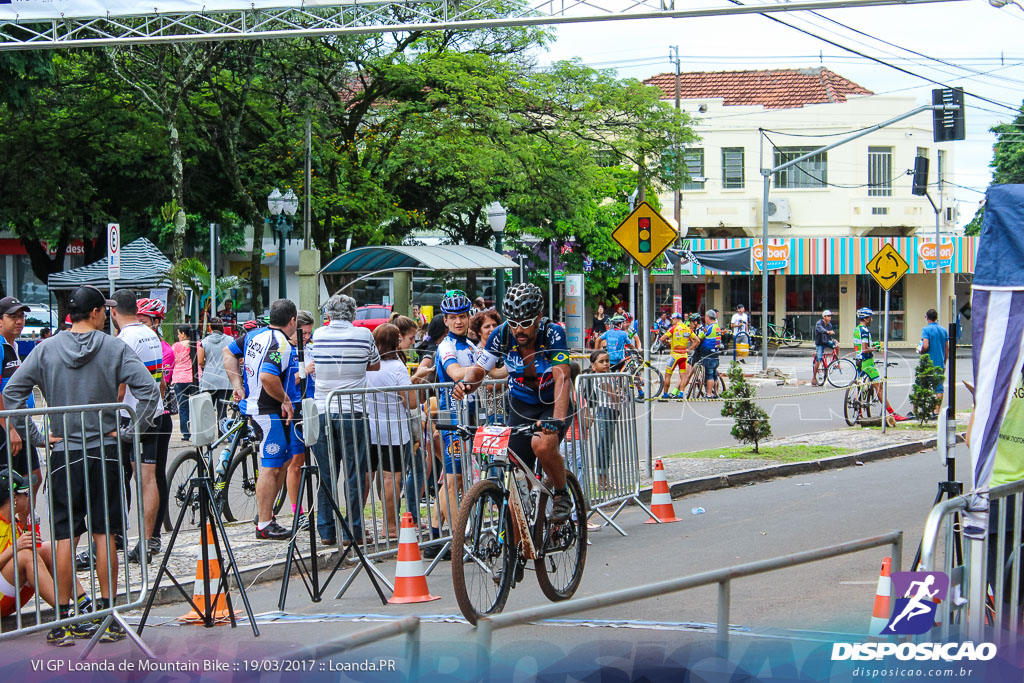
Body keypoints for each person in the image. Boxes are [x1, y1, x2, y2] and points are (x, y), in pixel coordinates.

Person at [3, 285, 159, 645]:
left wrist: (38, 435)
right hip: (103, 451)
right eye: (102, 310)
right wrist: (129, 431)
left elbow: (11, 394)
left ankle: (61, 621)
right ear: (94, 314)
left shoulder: (44, 349)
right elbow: (150, 391)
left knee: (63, 537)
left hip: (64, 455)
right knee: (104, 534)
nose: (107, 314)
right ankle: (108, 615)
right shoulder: (114, 347)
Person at [453, 282, 575, 522]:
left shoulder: (552, 333)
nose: (519, 329)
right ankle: (520, 549)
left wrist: (558, 420)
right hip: (521, 404)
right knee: (516, 487)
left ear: (539, 317)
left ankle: (562, 494)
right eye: (514, 322)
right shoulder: (501, 335)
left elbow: (562, 376)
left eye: (526, 323)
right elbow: (480, 370)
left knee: (541, 445)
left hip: (551, 402)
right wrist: (467, 384)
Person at [308, 294, 380, 547]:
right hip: (353, 411)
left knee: (326, 473)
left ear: (328, 314)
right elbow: (374, 365)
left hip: (322, 409)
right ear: (353, 314)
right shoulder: (364, 335)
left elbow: (312, 365)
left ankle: (326, 529)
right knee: (355, 473)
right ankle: (354, 529)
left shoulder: (317, 335)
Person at [223, 299, 298, 540]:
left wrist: (237, 384)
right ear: (292, 321)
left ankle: (265, 513)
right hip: (267, 410)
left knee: (284, 461)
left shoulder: (255, 335)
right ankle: (264, 523)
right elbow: (267, 376)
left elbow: (228, 352)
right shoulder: (281, 344)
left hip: (260, 406)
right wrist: (285, 399)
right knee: (270, 466)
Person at [109, 290, 169, 565]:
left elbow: (120, 388)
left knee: (136, 478)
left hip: (133, 415)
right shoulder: (151, 335)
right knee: (149, 477)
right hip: (153, 412)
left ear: (113, 312)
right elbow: (160, 382)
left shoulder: (124, 339)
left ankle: (133, 539)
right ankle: (147, 540)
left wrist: (110, 414)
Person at [0, 468, 92, 646]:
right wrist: (16, 547)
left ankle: (85, 605)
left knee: (48, 549)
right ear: (14, 498)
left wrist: (26, 521)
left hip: (8, 595)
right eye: (25, 492)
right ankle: (64, 617)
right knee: (25, 555)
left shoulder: (17, 519)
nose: (29, 495)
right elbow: (20, 553)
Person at [423, 290, 478, 559]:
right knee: (455, 478)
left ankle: (435, 537)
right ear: (445, 320)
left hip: (465, 416)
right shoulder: (447, 346)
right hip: (450, 418)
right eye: (453, 317)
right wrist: (483, 368)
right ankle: (459, 540)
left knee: (453, 478)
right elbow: (456, 373)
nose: (458, 322)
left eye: (462, 316)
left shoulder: (471, 346)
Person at [365, 323, 419, 541]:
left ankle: (357, 524)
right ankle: (391, 526)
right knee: (391, 479)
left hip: (369, 428)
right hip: (394, 430)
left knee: (366, 477)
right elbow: (412, 402)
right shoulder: (396, 367)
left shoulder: (367, 367)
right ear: (395, 343)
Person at [0, 296, 45, 518]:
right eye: (12, 316)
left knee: (33, 477)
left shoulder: (14, 345)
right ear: (0, 320)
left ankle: (26, 522)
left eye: (22, 316)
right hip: (8, 427)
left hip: (20, 422)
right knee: (12, 484)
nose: (19, 321)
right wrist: (8, 427)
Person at [283, 310, 315, 531]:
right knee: (296, 462)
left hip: (311, 407)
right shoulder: (285, 350)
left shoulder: (310, 349)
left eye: (310, 334)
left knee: (309, 461)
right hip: (293, 410)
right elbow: (278, 383)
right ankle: (297, 511)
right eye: (304, 333)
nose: (307, 338)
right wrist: (302, 373)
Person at [853, 307, 907, 422]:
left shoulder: (857, 329)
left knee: (860, 385)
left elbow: (861, 346)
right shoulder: (865, 331)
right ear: (866, 318)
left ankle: (859, 413)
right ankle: (892, 413)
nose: (871, 319)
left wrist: (874, 344)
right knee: (879, 387)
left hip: (859, 361)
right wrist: (876, 348)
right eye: (870, 317)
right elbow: (865, 349)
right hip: (867, 362)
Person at [197, 317, 235, 424]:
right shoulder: (230, 340)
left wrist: (208, 365)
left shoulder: (204, 342)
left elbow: (200, 361)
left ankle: (208, 436)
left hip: (209, 380)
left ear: (210, 328)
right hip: (225, 380)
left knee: (207, 410)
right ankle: (222, 435)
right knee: (222, 409)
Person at [918, 308, 950, 418]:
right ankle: (936, 412)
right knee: (939, 388)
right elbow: (947, 348)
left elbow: (925, 345)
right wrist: (944, 361)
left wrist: (920, 350)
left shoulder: (926, 330)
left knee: (922, 386)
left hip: (928, 363)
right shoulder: (943, 330)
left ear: (927, 318)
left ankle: (919, 411)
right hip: (939, 362)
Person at [171, 325, 196, 442]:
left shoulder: (176, 346)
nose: (178, 336)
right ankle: (198, 430)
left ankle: (186, 433)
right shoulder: (197, 344)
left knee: (183, 407)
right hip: (194, 378)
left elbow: (171, 361)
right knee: (197, 406)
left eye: (179, 333)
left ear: (183, 334)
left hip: (179, 379)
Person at [659, 312, 690, 398]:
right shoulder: (687, 328)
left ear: (676, 319)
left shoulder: (673, 328)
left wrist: (666, 341)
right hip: (684, 355)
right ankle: (681, 394)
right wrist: (690, 348)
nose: (672, 321)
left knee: (668, 375)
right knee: (683, 376)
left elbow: (662, 338)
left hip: (674, 355)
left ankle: (665, 394)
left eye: (672, 319)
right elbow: (697, 340)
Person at [695, 310, 723, 398]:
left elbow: (699, 337)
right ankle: (716, 393)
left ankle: (709, 393)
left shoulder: (708, 328)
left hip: (707, 354)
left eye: (705, 317)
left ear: (707, 317)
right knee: (715, 374)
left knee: (709, 374)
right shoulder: (718, 327)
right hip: (715, 353)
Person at [812, 309, 837, 386]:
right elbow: (821, 330)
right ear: (824, 317)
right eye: (828, 316)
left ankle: (835, 361)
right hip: (819, 343)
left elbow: (829, 336)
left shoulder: (829, 325)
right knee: (819, 360)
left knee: (837, 346)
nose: (830, 318)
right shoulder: (819, 323)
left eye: (830, 316)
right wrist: (828, 332)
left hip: (826, 342)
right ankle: (813, 378)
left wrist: (833, 340)